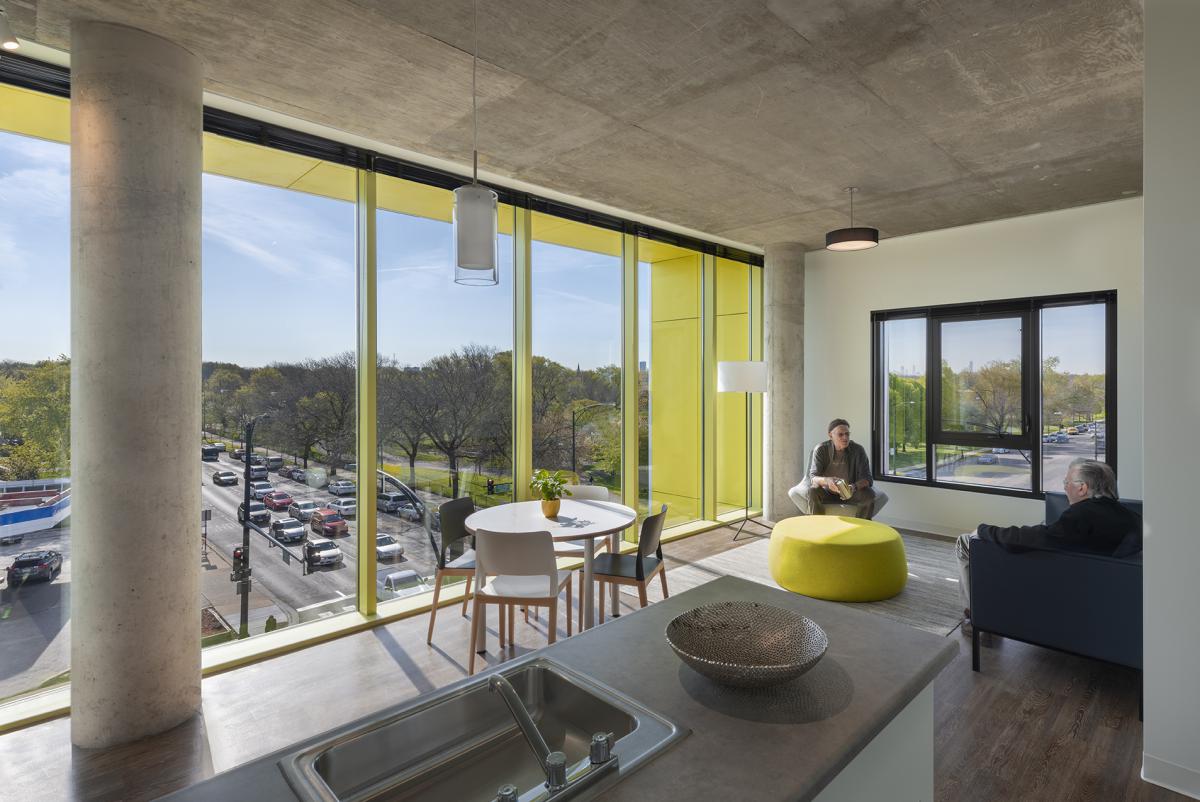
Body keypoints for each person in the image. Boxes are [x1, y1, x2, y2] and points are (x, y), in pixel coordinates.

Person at [956, 458, 1142, 632]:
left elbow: (1032, 540)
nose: (1065, 487)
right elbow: (1052, 535)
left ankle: (976, 617)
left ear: (1082, 488)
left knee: (965, 541)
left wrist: (985, 530)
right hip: (1103, 589)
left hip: (1056, 585)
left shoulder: (1081, 516)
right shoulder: (1131, 517)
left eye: (1067, 483)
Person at [788, 418, 888, 519]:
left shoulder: (858, 450)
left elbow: (867, 479)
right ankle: (817, 526)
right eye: (840, 434)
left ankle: (861, 527)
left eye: (847, 434)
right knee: (813, 491)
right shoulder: (821, 449)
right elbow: (813, 477)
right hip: (827, 492)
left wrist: (853, 487)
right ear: (830, 435)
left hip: (850, 493)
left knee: (869, 494)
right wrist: (827, 480)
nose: (845, 437)